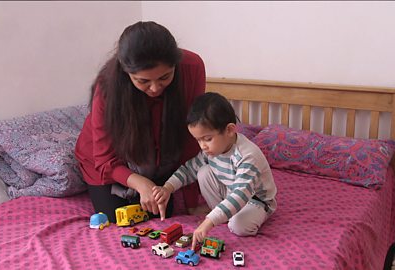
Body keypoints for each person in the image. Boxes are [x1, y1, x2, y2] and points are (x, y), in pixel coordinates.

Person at [75, 21, 207, 223]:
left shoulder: (192, 67)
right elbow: (104, 159)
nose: (155, 88)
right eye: (143, 81)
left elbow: (191, 139)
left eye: (164, 77)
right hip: (109, 160)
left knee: (158, 213)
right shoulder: (107, 87)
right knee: (120, 220)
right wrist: (141, 184)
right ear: (126, 73)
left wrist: (191, 202)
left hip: (158, 160)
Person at [152, 92, 278, 250]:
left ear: (230, 130)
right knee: (203, 172)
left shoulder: (248, 156)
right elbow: (188, 169)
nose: (202, 146)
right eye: (198, 140)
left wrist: (209, 221)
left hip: (255, 200)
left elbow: (240, 195)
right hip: (231, 191)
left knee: (238, 226)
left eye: (207, 139)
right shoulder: (210, 151)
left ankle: (225, 215)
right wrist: (167, 188)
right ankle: (221, 213)